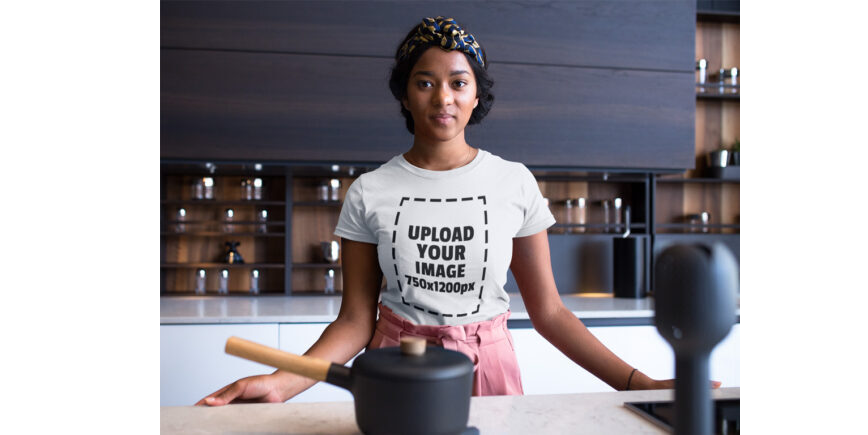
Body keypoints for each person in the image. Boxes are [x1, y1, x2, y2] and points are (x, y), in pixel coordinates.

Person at [198, 16, 717, 406]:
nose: (441, 97)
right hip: (396, 368)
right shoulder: (369, 190)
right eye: (425, 82)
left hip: (487, 367)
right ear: (405, 94)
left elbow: (551, 314)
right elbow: (355, 321)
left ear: (475, 96)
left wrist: (639, 384)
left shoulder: (513, 182)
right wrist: (280, 384)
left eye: (458, 82)